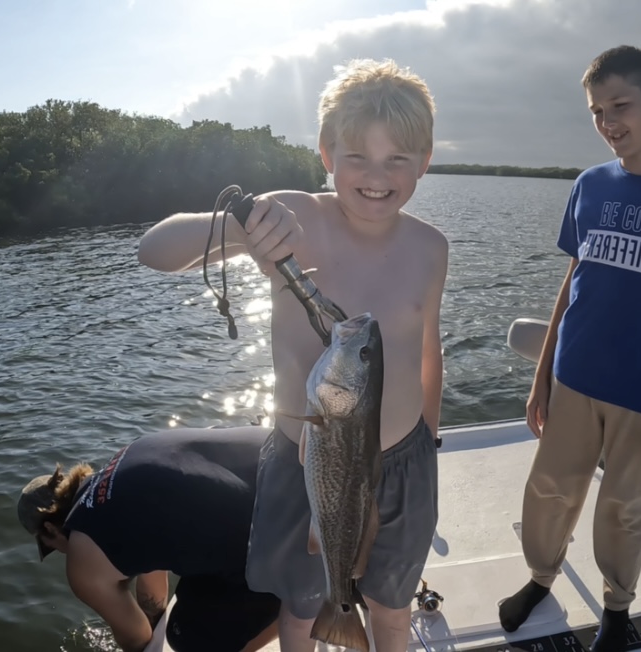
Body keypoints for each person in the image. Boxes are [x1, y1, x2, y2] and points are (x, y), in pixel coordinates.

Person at [136, 58, 448, 652]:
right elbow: (154, 250)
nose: (376, 175)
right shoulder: (295, 215)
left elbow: (428, 351)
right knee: (301, 611)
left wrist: (429, 442)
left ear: (424, 162)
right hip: (305, 465)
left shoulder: (431, 246)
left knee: (392, 608)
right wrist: (242, 226)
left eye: (397, 159)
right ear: (326, 154)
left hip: (405, 462)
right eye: (356, 156)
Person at [497, 45, 641, 652]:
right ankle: (540, 578)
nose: (608, 121)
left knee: (627, 508)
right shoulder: (590, 185)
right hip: (573, 379)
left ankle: (617, 607)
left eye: (620, 105)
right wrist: (541, 376)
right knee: (550, 490)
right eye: (596, 111)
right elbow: (570, 286)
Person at [16, 428, 281, 652]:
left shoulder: (81, 555)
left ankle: (291, 610)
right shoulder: (123, 465)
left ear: (50, 529)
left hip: (280, 542)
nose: (63, 552)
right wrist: (153, 619)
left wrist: (146, 640)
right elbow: (153, 584)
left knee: (184, 638)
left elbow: (136, 638)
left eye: (51, 547)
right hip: (291, 467)